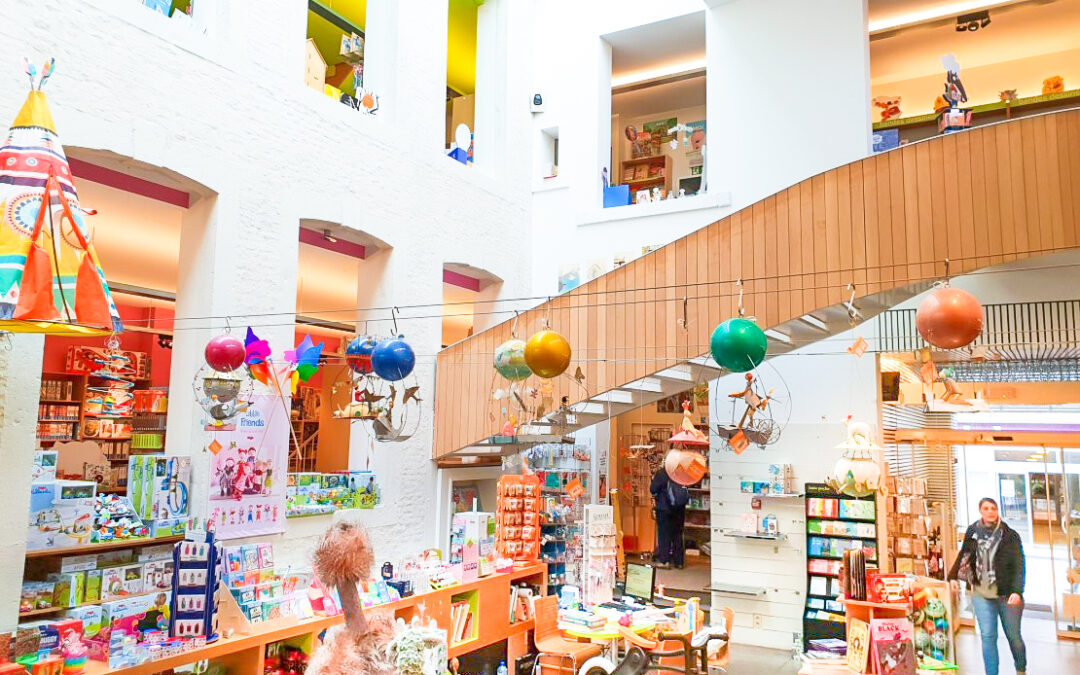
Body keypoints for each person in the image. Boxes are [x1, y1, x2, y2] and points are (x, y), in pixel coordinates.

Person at [948, 497, 1026, 675]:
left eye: (993, 508)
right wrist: (952, 577)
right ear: (980, 511)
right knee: (988, 637)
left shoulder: (1010, 535)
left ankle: (1021, 669)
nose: (990, 512)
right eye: (986, 508)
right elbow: (965, 554)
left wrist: (1017, 591)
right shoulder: (973, 532)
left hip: (1007, 594)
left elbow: (1019, 564)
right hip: (982, 593)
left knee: (1014, 638)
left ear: (998, 511)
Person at [650, 467, 688, 569]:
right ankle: (679, 562)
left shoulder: (662, 473)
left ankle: (664, 561)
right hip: (679, 509)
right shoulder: (682, 472)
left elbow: (653, 489)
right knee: (677, 534)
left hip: (664, 509)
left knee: (664, 535)